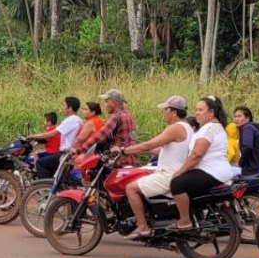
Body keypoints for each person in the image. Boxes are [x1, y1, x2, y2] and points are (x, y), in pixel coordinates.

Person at [119, 95, 194, 238]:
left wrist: (124, 150)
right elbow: (161, 149)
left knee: (131, 188)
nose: (163, 113)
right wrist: (138, 148)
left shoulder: (175, 128)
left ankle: (142, 226)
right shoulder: (187, 127)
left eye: (165, 110)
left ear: (173, 112)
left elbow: (150, 144)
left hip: (168, 175)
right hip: (176, 173)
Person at [168, 97, 235, 230]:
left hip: (211, 171)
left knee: (176, 183)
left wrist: (181, 171)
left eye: (200, 110)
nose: (197, 113)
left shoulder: (208, 129)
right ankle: (195, 215)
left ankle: (184, 221)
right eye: (196, 110)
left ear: (211, 112)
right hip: (219, 171)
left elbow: (197, 154)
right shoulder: (216, 126)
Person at [70, 89, 136, 166]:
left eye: (107, 101)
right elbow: (133, 137)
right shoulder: (128, 115)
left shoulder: (116, 116)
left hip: (117, 160)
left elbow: (99, 136)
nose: (105, 104)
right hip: (129, 159)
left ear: (114, 102)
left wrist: (78, 150)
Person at [28, 97, 83, 179]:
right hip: (68, 152)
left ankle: (43, 188)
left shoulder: (71, 120)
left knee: (40, 163)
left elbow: (52, 134)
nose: (62, 108)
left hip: (65, 153)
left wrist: (33, 136)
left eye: (64, 105)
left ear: (70, 108)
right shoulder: (78, 119)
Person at [234, 106, 259, 176]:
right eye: (235, 116)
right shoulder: (251, 128)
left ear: (248, 118)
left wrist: (240, 163)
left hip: (255, 172)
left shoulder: (247, 128)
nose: (236, 119)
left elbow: (247, 147)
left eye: (239, 116)